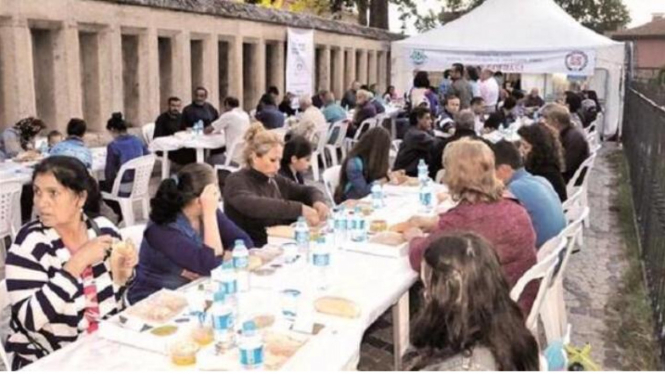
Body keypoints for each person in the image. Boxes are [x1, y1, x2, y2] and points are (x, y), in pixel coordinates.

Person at [5, 156, 137, 369]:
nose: (41, 202)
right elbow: (30, 320)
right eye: (37, 192)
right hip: (48, 356)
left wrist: (126, 271)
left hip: (104, 344)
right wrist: (77, 262)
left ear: (80, 198)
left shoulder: (103, 230)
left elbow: (117, 296)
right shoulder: (28, 244)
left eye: (53, 193)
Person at [406, 138, 538, 315]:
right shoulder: (509, 203)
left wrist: (413, 237)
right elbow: (478, 226)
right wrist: (436, 223)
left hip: (493, 313)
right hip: (520, 295)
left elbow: (420, 258)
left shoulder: (464, 218)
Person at [403, 233, 540, 371]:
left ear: (448, 296)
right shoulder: (507, 328)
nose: (425, 296)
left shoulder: (465, 367)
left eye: (428, 288)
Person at [128, 163, 253, 304]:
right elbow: (211, 266)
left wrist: (221, 255)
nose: (217, 195)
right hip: (154, 301)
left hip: (191, 292)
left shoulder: (207, 212)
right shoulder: (162, 229)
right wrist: (209, 216)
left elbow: (244, 242)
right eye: (214, 190)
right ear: (200, 199)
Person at [223, 124, 328, 246]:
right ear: (254, 157)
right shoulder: (235, 181)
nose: (278, 166)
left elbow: (307, 191)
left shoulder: (274, 179)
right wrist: (300, 209)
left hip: (276, 243)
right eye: (272, 160)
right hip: (248, 249)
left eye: (279, 160)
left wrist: (318, 201)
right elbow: (255, 205)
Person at [492, 140, 566, 248]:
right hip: (555, 249)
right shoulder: (540, 179)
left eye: (492, 170)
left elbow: (498, 223)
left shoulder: (513, 190)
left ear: (504, 169)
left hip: (540, 253)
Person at [100, 112, 150, 223]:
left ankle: (117, 213)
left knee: (98, 186)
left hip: (125, 187)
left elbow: (109, 172)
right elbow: (148, 155)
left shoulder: (113, 146)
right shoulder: (137, 140)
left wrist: (109, 182)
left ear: (112, 129)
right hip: (140, 183)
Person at [335, 127, 395, 204]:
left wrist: (389, 175)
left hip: (369, 198)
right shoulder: (354, 163)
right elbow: (364, 191)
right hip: (352, 200)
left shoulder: (374, 161)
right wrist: (383, 180)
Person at [518, 124, 568, 202]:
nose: (520, 150)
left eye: (525, 147)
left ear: (538, 150)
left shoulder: (543, 174)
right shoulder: (548, 165)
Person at [541, 103, 590, 183]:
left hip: (565, 180)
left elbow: (563, 167)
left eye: (546, 118)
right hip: (562, 177)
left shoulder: (574, 138)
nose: (543, 122)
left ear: (555, 121)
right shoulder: (566, 133)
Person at [429, 110, 482, 179]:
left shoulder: (442, 145)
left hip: (448, 184)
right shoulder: (485, 145)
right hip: (478, 184)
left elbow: (432, 169)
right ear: (473, 125)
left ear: (455, 124)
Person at [394, 107, 439, 177]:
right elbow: (438, 145)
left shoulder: (417, 132)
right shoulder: (416, 135)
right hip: (406, 174)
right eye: (427, 118)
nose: (431, 121)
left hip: (414, 171)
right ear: (418, 119)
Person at [207, 96, 250, 165]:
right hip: (243, 156)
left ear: (227, 104)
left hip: (232, 157)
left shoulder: (228, 115)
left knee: (208, 160)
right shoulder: (245, 115)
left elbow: (209, 129)